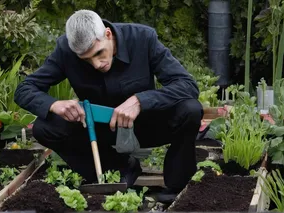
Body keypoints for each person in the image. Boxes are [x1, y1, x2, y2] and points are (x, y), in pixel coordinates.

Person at [13, 9, 203, 203]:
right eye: (86, 59)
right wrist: (54, 104)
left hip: (145, 126)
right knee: (44, 128)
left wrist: (140, 101)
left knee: (191, 110)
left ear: (108, 34)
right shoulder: (65, 51)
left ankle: (177, 185)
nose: (96, 64)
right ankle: (119, 168)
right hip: (100, 131)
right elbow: (24, 90)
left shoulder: (143, 38)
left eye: (99, 53)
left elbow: (187, 85)